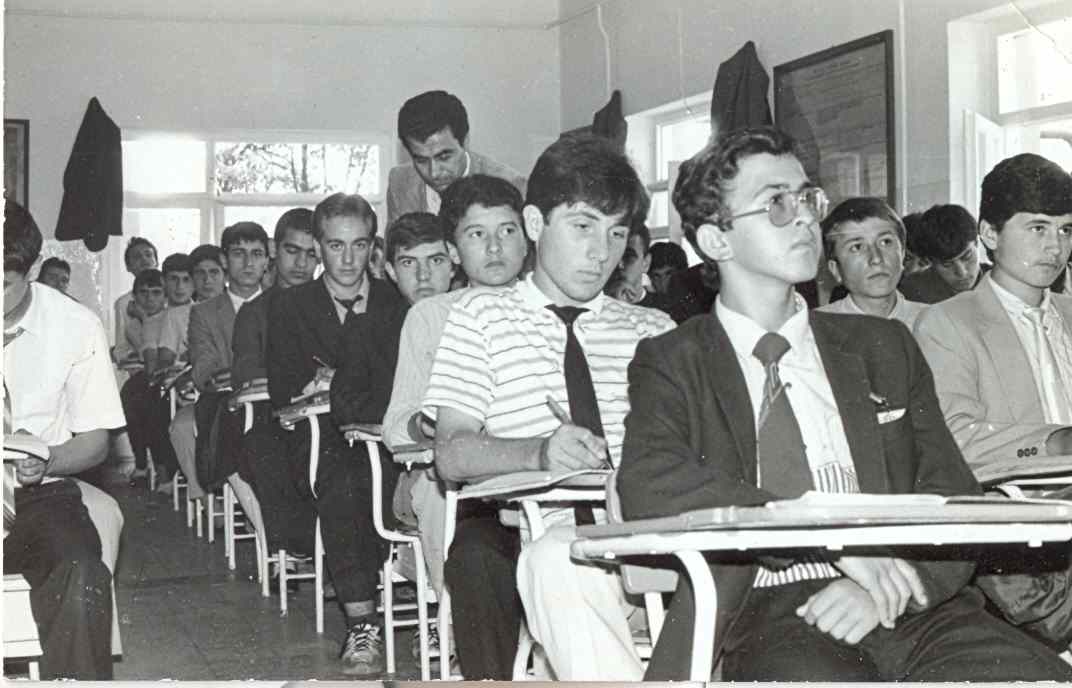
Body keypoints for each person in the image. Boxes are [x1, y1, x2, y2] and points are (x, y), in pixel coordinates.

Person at [616, 126, 1072, 682]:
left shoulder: (883, 346)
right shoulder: (673, 360)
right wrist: (822, 539)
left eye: (807, 198)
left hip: (910, 602)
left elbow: (953, 491)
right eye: (777, 203)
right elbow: (648, 481)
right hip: (772, 613)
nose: (805, 219)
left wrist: (893, 583)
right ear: (717, 240)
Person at [423, 134, 675, 680]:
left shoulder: (654, 329)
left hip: (643, 533)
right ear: (535, 223)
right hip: (534, 536)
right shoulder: (481, 317)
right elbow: (452, 453)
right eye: (583, 226)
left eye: (616, 234)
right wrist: (540, 452)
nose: (601, 252)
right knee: (522, 559)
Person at [382, 175, 529, 639]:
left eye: (507, 231)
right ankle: (457, 627)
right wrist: (431, 422)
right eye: (477, 235)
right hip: (452, 475)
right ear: (454, 250)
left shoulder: (546, 308)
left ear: (528, 235)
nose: (494, 248)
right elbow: (395, 427)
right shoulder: (429, 316)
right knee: (437, 486)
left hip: (533, 465)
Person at [266, 192, 400, 675]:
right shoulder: (290, 306)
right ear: (319, 246)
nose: (347, 259)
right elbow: (285, 387)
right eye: (336, 245)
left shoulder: (394, 301)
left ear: (373, 247)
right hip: (320, 436)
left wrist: (334, 380)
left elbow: (402, 381)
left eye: (359, 245)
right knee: (342, 482)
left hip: (384, 430)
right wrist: (348, 385)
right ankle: (362, 621)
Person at [4, 200, 126, 679]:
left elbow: (96, 440)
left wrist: (49, 459)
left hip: (38, 494)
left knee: (80, 570)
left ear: (33, 268)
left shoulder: (76, 326)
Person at [232, 208, 319, 563]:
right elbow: (247, 372)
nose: (301, 263)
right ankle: (294, 549)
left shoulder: (333, 303)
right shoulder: (255, 312)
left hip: (332, 413)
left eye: (311, 254)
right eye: (292, 250)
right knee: (261, 445)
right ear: (274, 249)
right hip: (278, 415)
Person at [188, 222, 269, 513]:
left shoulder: (283, 303)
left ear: (267, 260)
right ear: (224, 260)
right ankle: (262, 522)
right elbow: (204, 367)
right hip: (227, 401)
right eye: (238, 253)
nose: (248, 263)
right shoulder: (204, 313)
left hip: (275, 399)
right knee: (232, 434)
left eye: (256, 254)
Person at [386, 90, 526, 226]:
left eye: (444, 157)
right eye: (421, 160)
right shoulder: (399, 182)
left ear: (465, 142)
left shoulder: (511, 185)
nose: (434, 173)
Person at [159, 243, 225, 496]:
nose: (207, 281)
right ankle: (205, 500)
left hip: (239, 395)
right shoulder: (183, 315)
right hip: (202, 395)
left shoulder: (242, 307)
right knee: (181, 428)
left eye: (214, 272)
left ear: (225, 272)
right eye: (200, 274)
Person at [817, 197, 926, 328]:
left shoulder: (933, 321)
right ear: (835, 269)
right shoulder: (817, 328)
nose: (876, 258)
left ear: (902, 253)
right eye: (857, 247)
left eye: (885, 242)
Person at [899, 204, 986, 303]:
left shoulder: (998, 280)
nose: (961, 272)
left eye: (967, 257)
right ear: (931, 262)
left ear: (977, 243)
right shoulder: (912, 292)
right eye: (947, 264)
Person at [112, 237, 158, 363]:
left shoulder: (174, 293)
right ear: (128, 266)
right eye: (137, 257)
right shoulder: (123, 303)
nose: (144, 260)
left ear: (156, 261)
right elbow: (120, 349)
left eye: (148, 255)